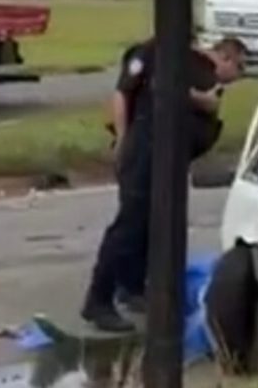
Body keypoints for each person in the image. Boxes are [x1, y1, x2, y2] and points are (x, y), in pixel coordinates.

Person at [82, 37, 247, 331]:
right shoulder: (166, 55)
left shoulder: (199, 70)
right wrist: (123, 139)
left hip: (169, 155)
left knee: (153, 224)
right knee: (129, 225)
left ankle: (132, 287)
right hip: (147, 148)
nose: (239, 77)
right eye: (240, 67)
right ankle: (98, 300)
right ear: (226, 57)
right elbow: (149, 90)